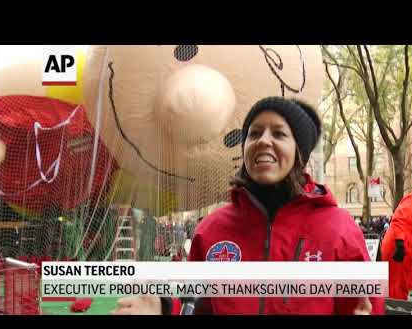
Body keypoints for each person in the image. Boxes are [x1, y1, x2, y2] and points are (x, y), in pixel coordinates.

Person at [113, 96, 384, 315]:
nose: (263, 140)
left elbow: (366, 306)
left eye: (279, 133)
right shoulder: (210, 231)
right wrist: (163, 309)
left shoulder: (340, 230)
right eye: (254, 133)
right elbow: (196, 305)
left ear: (299, 153)